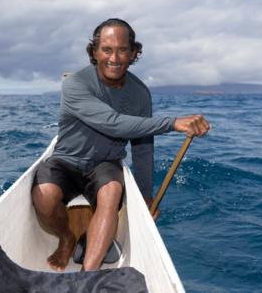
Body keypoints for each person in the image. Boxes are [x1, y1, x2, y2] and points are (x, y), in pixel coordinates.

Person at [32, 18, 210, 272]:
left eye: (122, 49)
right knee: (44, 196)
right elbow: (113, 123)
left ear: (134, 52)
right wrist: (172, 123)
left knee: (113, 190)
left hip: (105, 163)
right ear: (94, 52)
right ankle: (66, 238)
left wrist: (146, 195)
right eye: (106, 49)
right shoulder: (75, 84)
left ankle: (87, 277)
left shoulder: (140, 93)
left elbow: (143, 147)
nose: (114, 57)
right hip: (66, 160)